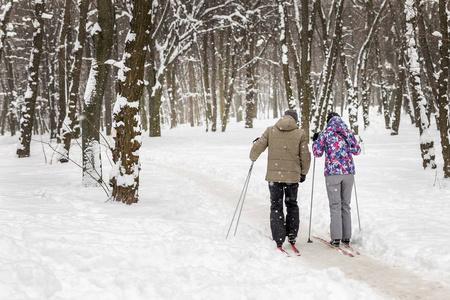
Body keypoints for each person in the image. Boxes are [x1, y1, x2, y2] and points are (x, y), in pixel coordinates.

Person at [250, 110, 311, 252]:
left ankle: (278, 238)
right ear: (295, 120)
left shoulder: (270, 131)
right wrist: (303, 172)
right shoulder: (300, 133)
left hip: (274, 177)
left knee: (276, 205)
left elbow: (259, 146)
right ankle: (292, 235)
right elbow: (305, 156)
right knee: (291, 204)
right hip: (292, 177)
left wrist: (253, 155)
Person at [312, 112, 361, 247]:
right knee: (346, 205)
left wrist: (316, 140)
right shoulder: (347, 132)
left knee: (335, 205)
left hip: (333, 173)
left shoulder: (325, 133)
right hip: (348, 173)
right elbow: (357, 150)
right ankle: (346, 237)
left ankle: (336, 238)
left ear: (328, 121)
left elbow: (317, 153)